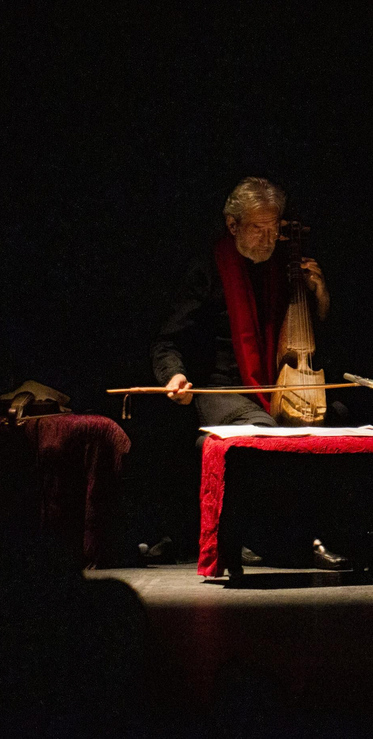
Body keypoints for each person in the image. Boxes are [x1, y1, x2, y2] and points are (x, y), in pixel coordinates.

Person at [149, 176, 349, 570]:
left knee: (337, 417)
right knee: (263, 430)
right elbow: (167, 340)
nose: (269, 239)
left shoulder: (287, 269)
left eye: (275, 229)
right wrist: (173, 376)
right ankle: (274, 538)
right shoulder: (207, 270)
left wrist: (321, 297)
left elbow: (310, 341)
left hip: (280, 385)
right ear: (233, 225)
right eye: (258, 228)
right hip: (221, 388)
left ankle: (322, 533)